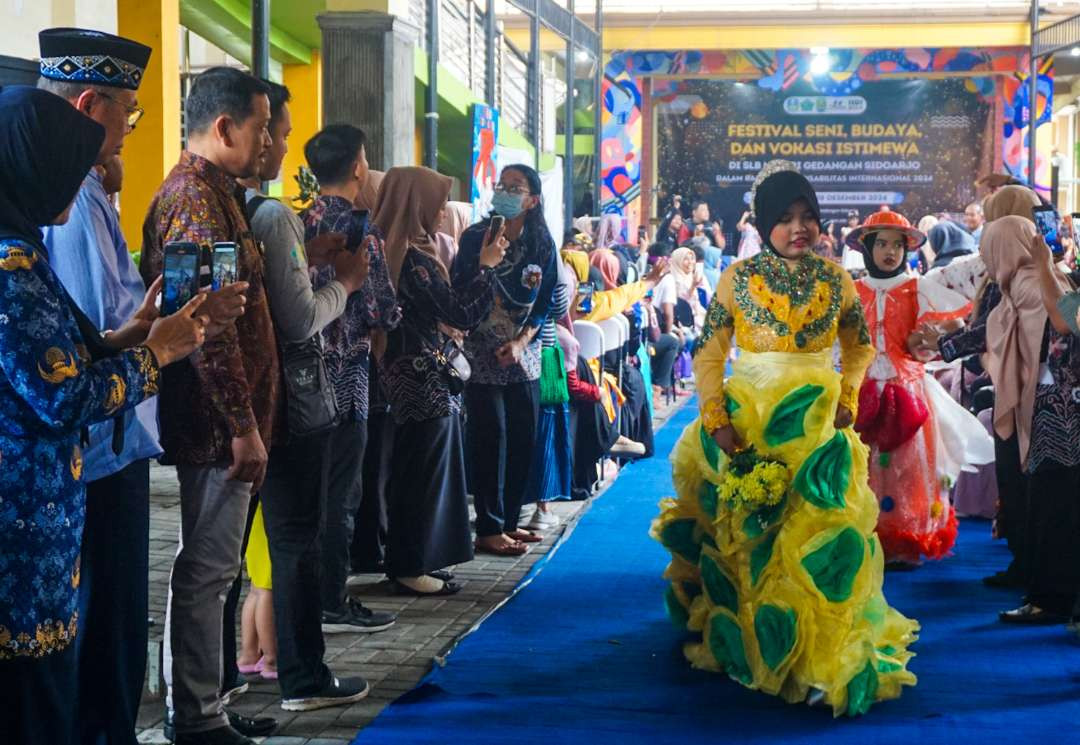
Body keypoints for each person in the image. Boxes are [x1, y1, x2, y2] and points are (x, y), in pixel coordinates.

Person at [35, 28, 256, 745]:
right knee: (101, 633)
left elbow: (98, 328)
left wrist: (151, 323)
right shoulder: (59, 206)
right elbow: (66, 362)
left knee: (119, 627)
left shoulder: (93, 191)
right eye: (127, 114)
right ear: (90, 103)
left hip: (121, 437)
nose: (131, 131)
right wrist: (157, 341)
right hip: (94, 447)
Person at [653, 160, 917, 715]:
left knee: (818, 536)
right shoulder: (737, 278)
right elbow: (709, 352)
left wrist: (847, 397)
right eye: (786, 218)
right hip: (749, 420)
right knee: (754, 535)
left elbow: (859, 344)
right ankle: (758, 641)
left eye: (809, 218)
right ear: (764, 221)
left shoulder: (835, 278)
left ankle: (821, 651)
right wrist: (716, 417)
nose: (800, 228)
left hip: (819, 423)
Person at [0, 85, 206, 745]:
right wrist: (157, 356)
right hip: (20, 532)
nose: (78, 179)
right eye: (66, 162)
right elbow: (60, 395)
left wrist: (131, 335)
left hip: (42, 522)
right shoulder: (9, 268)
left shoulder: (24, 251)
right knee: (30, 703)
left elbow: (60, 356)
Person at [140, 67, 281, 745]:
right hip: (215, 424)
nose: (270, 142)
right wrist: (243, 426)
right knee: (207, 566)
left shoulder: (219, 197)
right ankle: (194, 715)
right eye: (261, 128)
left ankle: (208, 697)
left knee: (216, 566)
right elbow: (205, 331)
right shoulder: (195, 202)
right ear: (224, 127)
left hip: (228, 421)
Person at [240, 86, 378, 711]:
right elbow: (299, 320)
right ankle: (301, 676)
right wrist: (346, 282)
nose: (279, 144)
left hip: (259, 403)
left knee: (238, 557)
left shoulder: (248, 209)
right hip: (292, 400)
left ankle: (218, 685)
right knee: (296, 538)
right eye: (271, 128)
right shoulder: (271, 216)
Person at [377, 166, 506, 592]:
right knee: (423, 476)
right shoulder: (415, 262)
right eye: (437, 203)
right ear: (418, 205)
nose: (443, 212)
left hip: (411, 377)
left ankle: (417, 561)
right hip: (421, 381)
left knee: (421, 472)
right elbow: (461, 312)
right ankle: (410, 567)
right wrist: (485, 268)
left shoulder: (399, 251)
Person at [848, 210, 993, 567]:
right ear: (867, 248)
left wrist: (931, 339)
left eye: (896, 245)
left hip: (908, 389)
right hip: (861, 387)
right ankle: (864, 533)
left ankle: (905, 537)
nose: (889, 252)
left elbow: (958, 320)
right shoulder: (852, 291)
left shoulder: (919, 286)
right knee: (863, 463)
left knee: (907, 465)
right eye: (881, 243)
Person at [300, 123, 401, 632]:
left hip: (302, 386)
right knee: (342, 496)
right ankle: (332, 600)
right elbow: (383, 306)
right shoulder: (363, 229)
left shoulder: (299, 225)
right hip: (348, 384)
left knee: (306, 496)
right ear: (359, 165)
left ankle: (305, 596)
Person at [456, 165, 559, 557]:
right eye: (501, 186)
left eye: (515, 187)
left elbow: (546, 298)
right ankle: (488, 527)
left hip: (523, 356)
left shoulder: (542, 243)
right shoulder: (474, 238)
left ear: (532, 199)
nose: (505, 192)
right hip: (481, 354)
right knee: (490, 439)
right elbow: (460, 287)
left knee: (522, 437)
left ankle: (512, 522)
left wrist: (521, 342)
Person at [982, 217, 1080, 624]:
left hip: (1059, 414)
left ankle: (1051, 598)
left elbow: (1067, 320)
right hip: (1060, 411)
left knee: (1052, 506)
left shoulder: (1042, 279)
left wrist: (1043, 265)